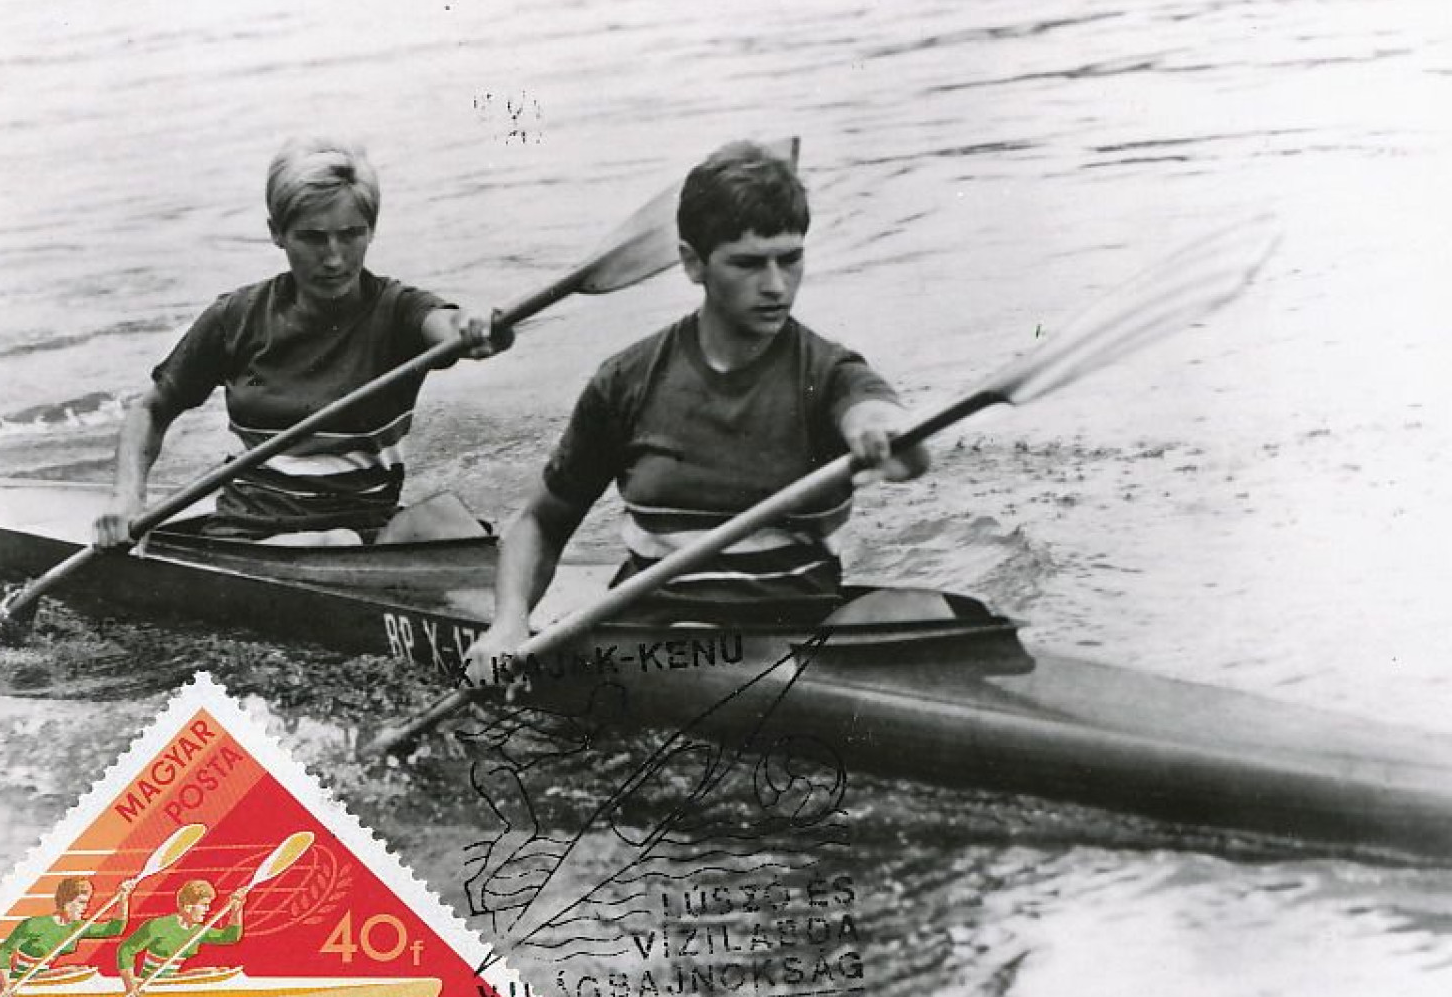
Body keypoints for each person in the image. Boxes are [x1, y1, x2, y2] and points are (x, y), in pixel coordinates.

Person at [465, 140, 928, 683]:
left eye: (791, 258)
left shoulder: (829, 373)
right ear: (692, 263)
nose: (777, 285)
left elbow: (895, 440)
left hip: (792, 638)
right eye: (749, 264)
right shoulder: (626, 381)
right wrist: (508, 625)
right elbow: (541, 522)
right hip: (655, 645)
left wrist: (882, 433)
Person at [93, 136, 509, 548]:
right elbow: (150, 409)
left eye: (351, 235)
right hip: (257, 535)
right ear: (277, 233)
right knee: (337, 541)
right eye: (312, 238)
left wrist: (476, 329)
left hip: (365, 529)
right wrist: (127, 498)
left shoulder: (399, 311)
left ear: (372, 230)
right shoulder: (235, 317)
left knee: (450, 519)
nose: (334, 258)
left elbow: (452, 329)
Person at [0, 876, 137, 997]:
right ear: (66, 902)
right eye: (81, 902)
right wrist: (5, 986)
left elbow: (115, 929)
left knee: (79, 970)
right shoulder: (34, 925)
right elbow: (4, 950)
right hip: (20, 980)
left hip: (41, 976)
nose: (85, 908)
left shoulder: (77, 927)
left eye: (86, 902)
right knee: (74, 971)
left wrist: (123, 898)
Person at [115, 879, 245, 997]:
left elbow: (230, 937)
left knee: (213, 971)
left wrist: (237, 909)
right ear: (188, 907)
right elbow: (126, 950)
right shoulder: (158, 926)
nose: (208, 910)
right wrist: (130, 986)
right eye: (204, 905)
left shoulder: (197, 931)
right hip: (149, 984)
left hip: (170, 980)